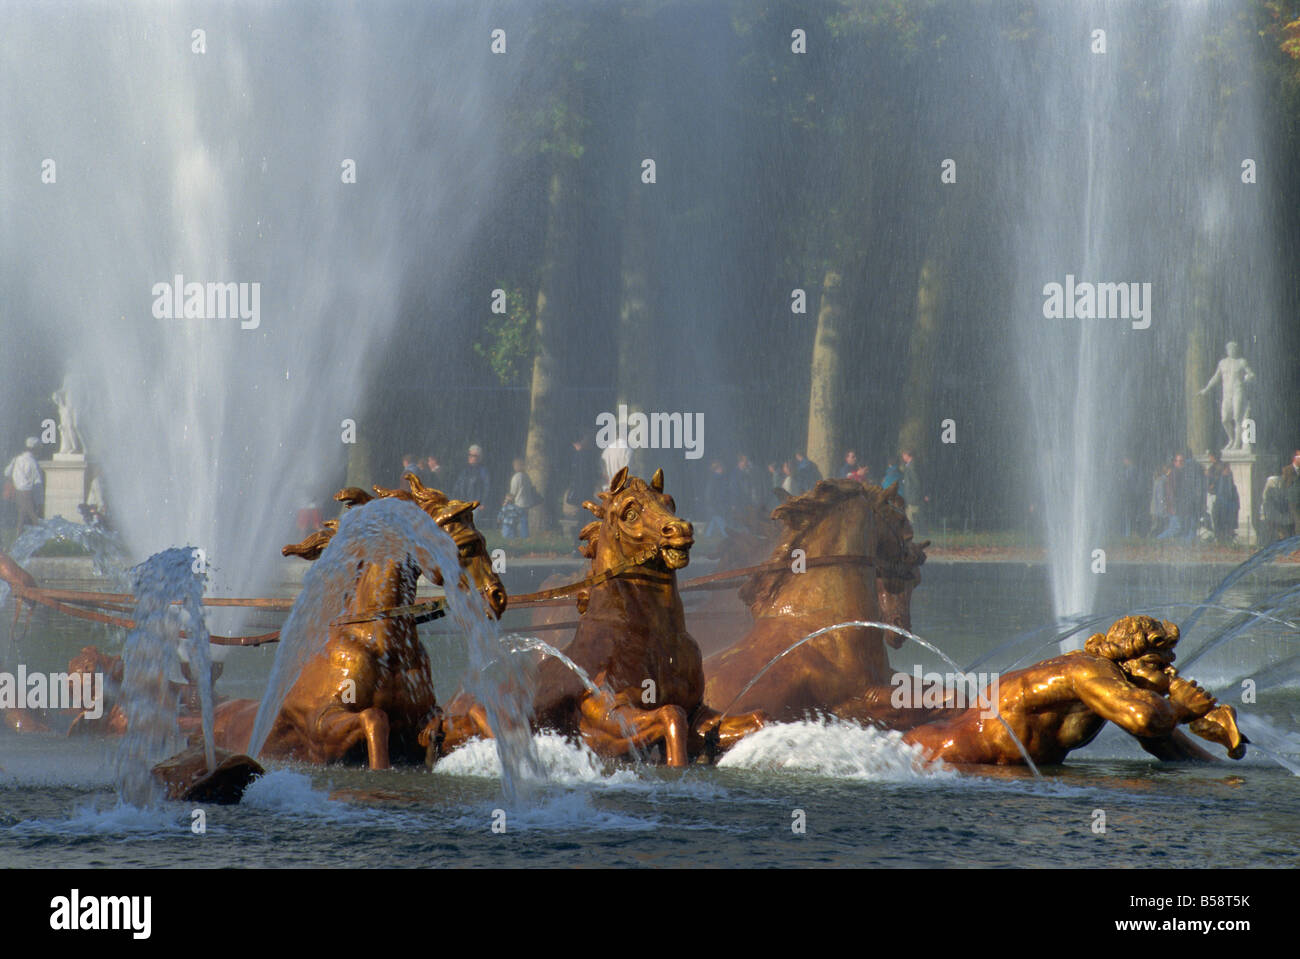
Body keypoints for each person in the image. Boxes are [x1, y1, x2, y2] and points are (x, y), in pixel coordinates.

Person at [901, 616, 1247, 765]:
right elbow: (1145, 719)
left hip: (982, 768)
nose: (1171, 673)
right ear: (1131, 659)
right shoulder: (1088, 670)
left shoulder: (1110, 689)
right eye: (1160, 665)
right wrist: (1182, 709)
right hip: (937, 758)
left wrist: (1225, 772)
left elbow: (1163, 743)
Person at [4, 438, 43, 536]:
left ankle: (18, 534)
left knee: (22, 514)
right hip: (27, 492)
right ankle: (41, 536)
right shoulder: (33, 462)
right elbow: (38, 483)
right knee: (33, 516)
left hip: (18, 491)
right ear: (35, 449)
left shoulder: (17, 459)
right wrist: (40, 502)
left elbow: (7, 472)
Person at [501, 457, 539, 540]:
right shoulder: (527, 476)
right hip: (527, 502)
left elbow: (513, 492)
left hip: (518, 502)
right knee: (524, 520)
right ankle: (525, 536)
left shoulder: (516, 477)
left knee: (513, 520)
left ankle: (512, 535)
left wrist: (506, 501)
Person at [1209, 460, 1239, 544]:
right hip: (1221, 507)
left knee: (1225, 527)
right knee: (1221, 527)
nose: (1229, 470)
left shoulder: (1229, 481)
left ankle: (1224, 539)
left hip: (1227, 508)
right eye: (1227, 469)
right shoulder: (1220, 480)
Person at [898, 449, 926, 530]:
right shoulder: (910, 465)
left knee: (913, 514)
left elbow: (916, 482)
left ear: (908, 455)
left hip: (913, 495)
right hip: (912, 495)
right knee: (913, 514)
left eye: (903, 455)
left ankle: (917, 530)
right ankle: (918, 530)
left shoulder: (912, 466)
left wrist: (915, 493)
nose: (903, 457)